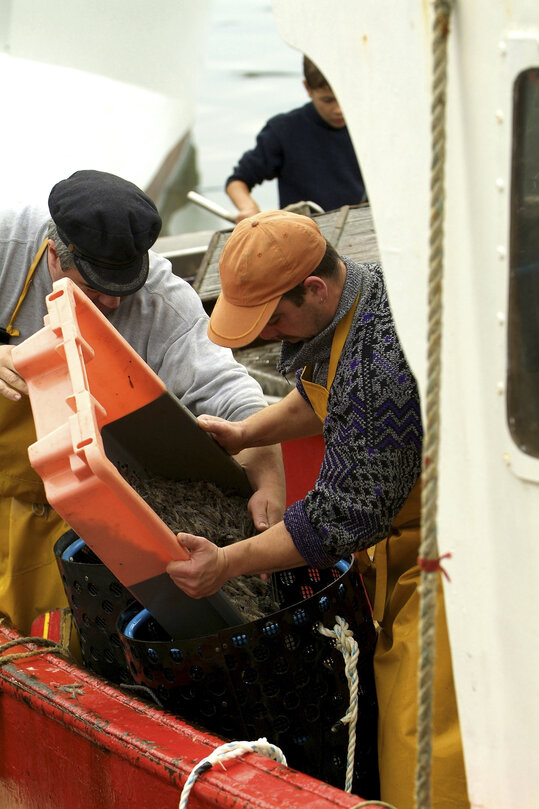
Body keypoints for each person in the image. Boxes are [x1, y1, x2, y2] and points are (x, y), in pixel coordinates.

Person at [167, 211, 470, 809]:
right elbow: (319, 396)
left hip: (452, 557)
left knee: (424, 747)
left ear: (315, 288)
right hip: (401, 534)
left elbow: (339, 519)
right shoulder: (363, 291)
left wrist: (227, 563)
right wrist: (244, 433)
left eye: (275, 319)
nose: (271, 336)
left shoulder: (380, 360)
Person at [0, 169, 285, 637]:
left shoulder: (162, 301)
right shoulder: (7, 246)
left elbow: (229, 390)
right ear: (54, 254)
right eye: (95, 288)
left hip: (73, 496)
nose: (111, 302)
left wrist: (269, 476)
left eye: (123, 287)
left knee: (62, 629)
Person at [225, 56, 367, 223]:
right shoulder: (283, 130)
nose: (338, 109)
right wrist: (249, 208)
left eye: (344, 97)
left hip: (362, 226)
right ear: (308, 88)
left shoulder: (371, 126)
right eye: (328, 100)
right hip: (301, 233)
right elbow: (237, 182)